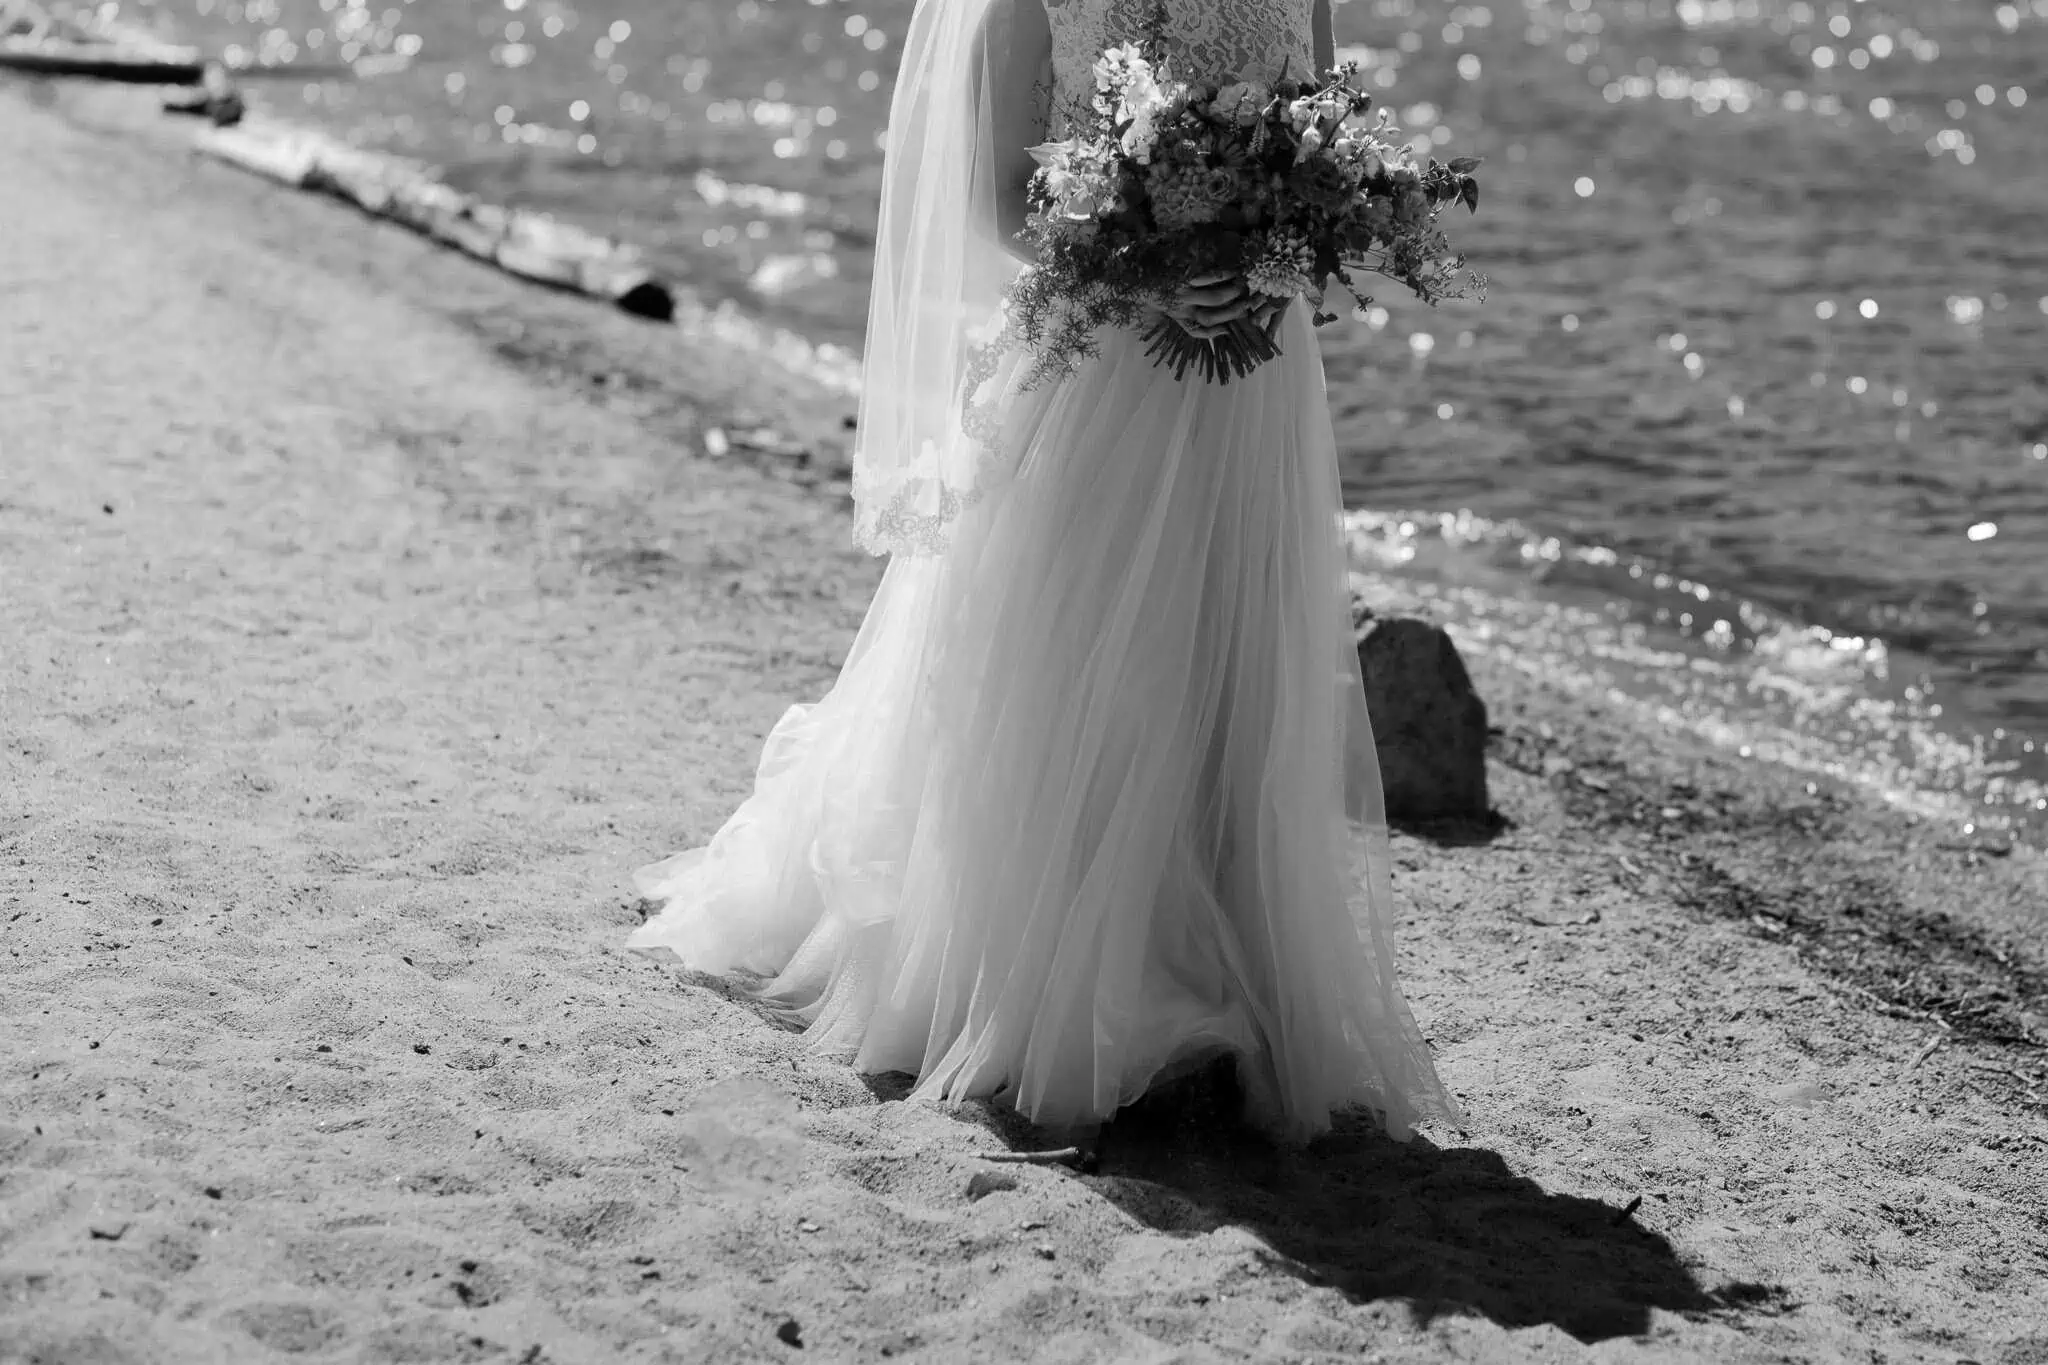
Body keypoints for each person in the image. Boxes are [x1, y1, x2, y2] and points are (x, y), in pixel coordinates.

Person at [629, 0, 1461, 1144]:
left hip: (1255, 373)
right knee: (1089, 671)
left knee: (1226, 659)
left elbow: (1327, 129)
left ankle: (1228, 980)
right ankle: (1091, 987)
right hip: (1098, 362)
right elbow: (990, 192)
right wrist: (1155, 274)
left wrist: (1278, 255)